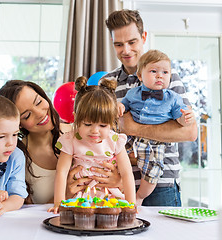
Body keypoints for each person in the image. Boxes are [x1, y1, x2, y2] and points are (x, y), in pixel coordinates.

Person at [104, 9, 198, 206]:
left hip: (162, 185)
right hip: (117, 183)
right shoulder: (107, 83)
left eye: (132, 42)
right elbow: (100, 133)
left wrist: (131, 126)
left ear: (143, 37)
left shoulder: (167, 78)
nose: (126, 50)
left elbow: (190, 132)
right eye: (119, 44)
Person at [48, 76, 135, 214]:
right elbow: (61, 172)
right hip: (80, 197)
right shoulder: (70, 139)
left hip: (109, 196)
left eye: (102, 125)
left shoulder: (115, 140)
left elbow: (126, 173)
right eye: (87, 124)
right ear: (76, 118)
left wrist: (131, 204)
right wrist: (59, 203)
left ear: (112, 122)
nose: (95, 131)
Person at [118, 49, 195, 206]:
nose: (160, 75)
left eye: (165, 72)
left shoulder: (173, 98)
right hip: (131, 139)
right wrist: (119, 106)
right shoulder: (133, 93)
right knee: (115, 156)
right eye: (154, 71)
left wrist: (185, 118)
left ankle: (139, 196)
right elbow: (124, 105)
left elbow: (181, 120)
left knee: (153, 171)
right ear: (140, 76)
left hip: (156, 143)